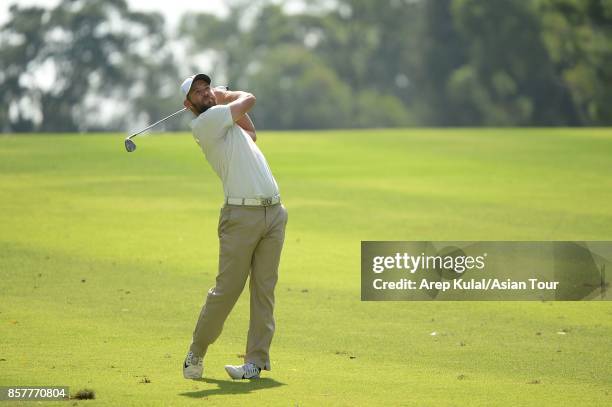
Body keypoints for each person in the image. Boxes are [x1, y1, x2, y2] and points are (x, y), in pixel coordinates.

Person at [179, 73, 288, 380]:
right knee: (227, 290)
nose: (205, 93)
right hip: (241, 216)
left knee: (264, 290)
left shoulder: (227, 123)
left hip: (274, 213)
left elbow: (251, 132)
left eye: (206, 88)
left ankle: (255, 362)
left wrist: (224, 98)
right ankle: (195, 353)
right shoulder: (206, 122)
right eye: (198, 92)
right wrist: (226, 96)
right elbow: (250, 98)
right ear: (188, 105)